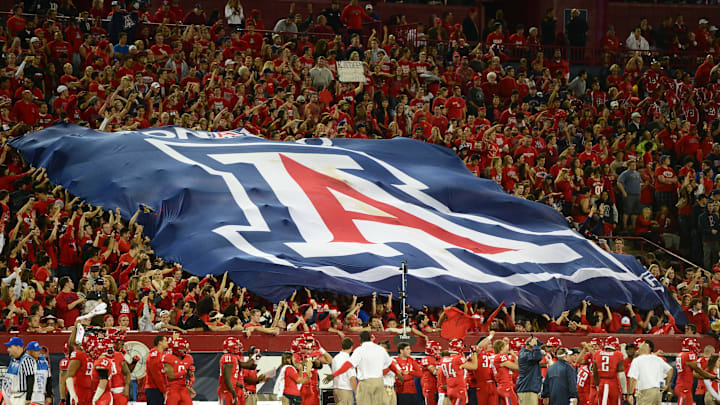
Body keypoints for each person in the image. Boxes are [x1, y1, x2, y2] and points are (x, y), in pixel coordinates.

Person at [329, 330, 394, 405]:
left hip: (360, 384)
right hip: (376, 384)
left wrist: (334, 374)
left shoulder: (340, 357)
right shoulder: (378, 351)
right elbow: (352, 377)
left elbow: (348, 366)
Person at [627, 339, 673, 405]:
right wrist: (667, 385)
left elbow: (633, 379)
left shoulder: (637, 360)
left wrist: (630, 394)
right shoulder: (658, 359)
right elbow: (670, 370)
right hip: (658, 392)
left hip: (646, 392)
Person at [674, 337, 717, 405]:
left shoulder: (681, 354)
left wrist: (710, 377)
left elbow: (694, 374)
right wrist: (712, 376)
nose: (696, 348)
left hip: (683, 386)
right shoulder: (689, 355)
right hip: (684, 388)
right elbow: (699, 370)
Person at [3, 337, 37, 405]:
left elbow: (30, 378)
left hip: (21, 397)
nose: (8, 349)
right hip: (11, 396)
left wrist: (28, 398)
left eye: (10, 347)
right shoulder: (13, 360)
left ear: (17, 347)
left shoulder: (26, 359)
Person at [163, 337, 194, 405]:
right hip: (172, 389)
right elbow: (171, 376)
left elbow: (191, 375)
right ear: (178, 349)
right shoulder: (168, 357)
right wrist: (184, 371)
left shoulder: (188, 358)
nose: (186, 349)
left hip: (184, 389)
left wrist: (190, 383)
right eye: (184, 348)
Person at [517, 336, 543, 405]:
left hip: (528, 389)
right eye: (537, 346)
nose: (539, 349)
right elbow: (538, 356)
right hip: (527, 389)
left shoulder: (526, 353)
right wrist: (535, 346)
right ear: (530, 346)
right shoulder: (524, 354)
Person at [330, 337, 357, 405]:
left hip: (336, 389)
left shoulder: (335, 358)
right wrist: (356, 393)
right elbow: (352, 378)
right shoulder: (349, 360)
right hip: (345, 390)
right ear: (351, 347)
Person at [144, 335, 168, 405]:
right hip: (154, 389)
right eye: (165, 341)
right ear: (160, 343)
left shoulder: (162, 354)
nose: (167, 343)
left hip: (160, 388)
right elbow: (157, 376)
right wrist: (164, 391)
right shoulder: (153, 356)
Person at [91, 338, 115, 405]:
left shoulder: (101, 361)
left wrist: (95, 398)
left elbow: (103, 381)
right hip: (104, 393)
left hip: (101, 395)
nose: (92, 352)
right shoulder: (106, 360)